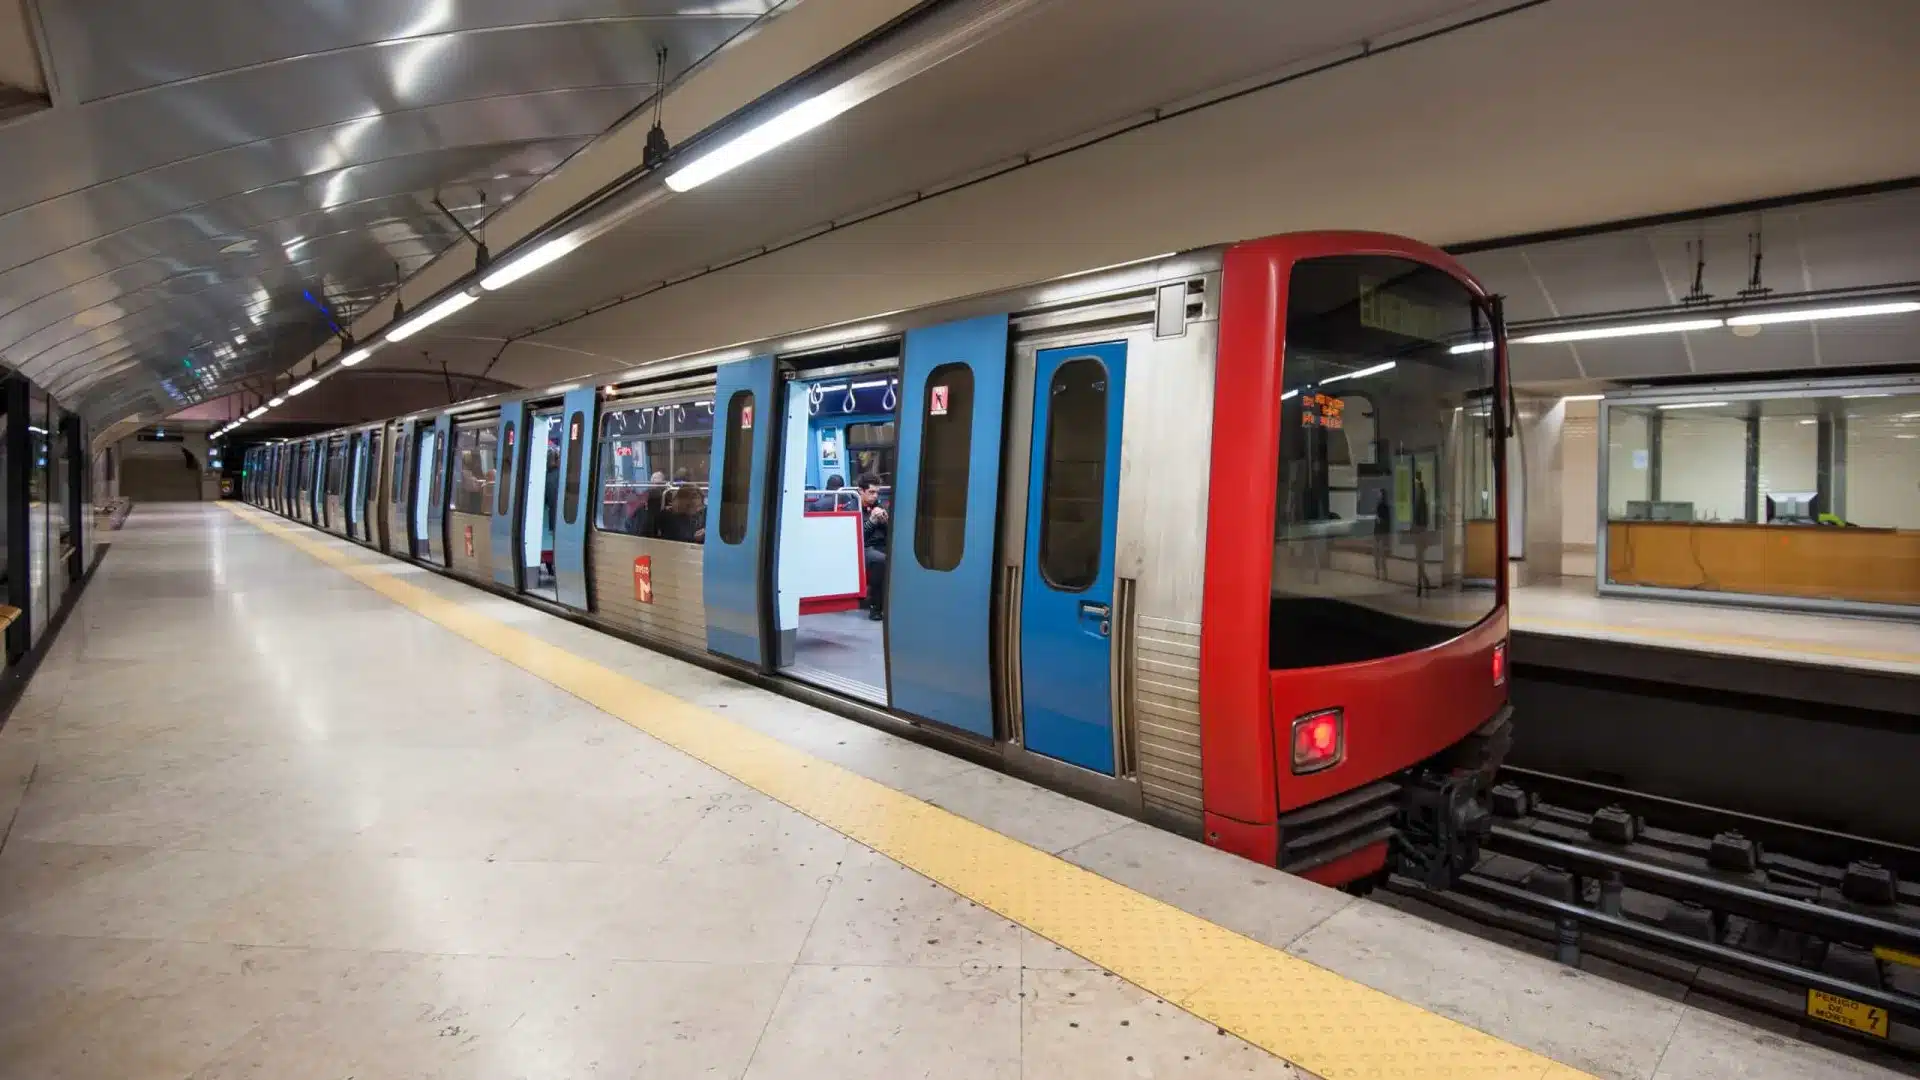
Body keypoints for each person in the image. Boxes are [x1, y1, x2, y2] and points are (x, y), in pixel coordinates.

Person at [860, 475, 889, 621]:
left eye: (877, 492)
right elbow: (859, 537)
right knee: (881, 561)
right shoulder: (853, 507)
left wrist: (885, 522)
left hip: (882, 545)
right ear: (861, 491)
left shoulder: (880, 506)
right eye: (871, 492)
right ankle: (876, 607)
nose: (875, 496)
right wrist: (871, 521)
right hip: (864, 548)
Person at [1411, 471, 1434, 597]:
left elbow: (1419, 516)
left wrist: (1415, 527)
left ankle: (1423, 583)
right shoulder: (1422, 495)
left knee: (1419, 561)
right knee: (1419, 561)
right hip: (1421, 532)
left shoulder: (1420, 495)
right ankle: (1421, 584)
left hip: (1420, 532)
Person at [1371, 488, 1392, 581]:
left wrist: (1379, 520)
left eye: (1379, 493)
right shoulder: (1381, 506)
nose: (1378, 495)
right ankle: (1381, 574)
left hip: (1380, 533)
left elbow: (1385, 521)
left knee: (1380, 555)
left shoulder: (1383, 507)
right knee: (1379, 555)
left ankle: (1381, 574)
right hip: (1379, 533)